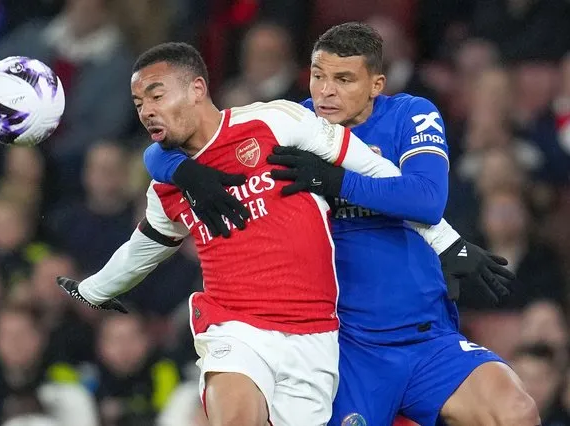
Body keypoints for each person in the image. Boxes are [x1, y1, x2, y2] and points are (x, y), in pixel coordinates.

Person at [143, 24, 538, 425]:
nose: (325, 91)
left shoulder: (409, 114)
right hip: (344, 350)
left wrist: (335, 182)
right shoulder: (288, 125)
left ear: (375, 84)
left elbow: (426, 199)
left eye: (343, 79)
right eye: (318, 76)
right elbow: (183, 141)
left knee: (515, 411)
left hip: (425, 339)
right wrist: (178, 169)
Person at [57, 42, 460, 426]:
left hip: (313, 332)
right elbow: (140, 251)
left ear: (197, 88)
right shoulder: (165, 189)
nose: (146, 111)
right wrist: (92, 291)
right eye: (139, 103)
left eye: (156, 96)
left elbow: (379, 173)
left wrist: (448, 242)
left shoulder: (275, 122)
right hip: (235, 326)